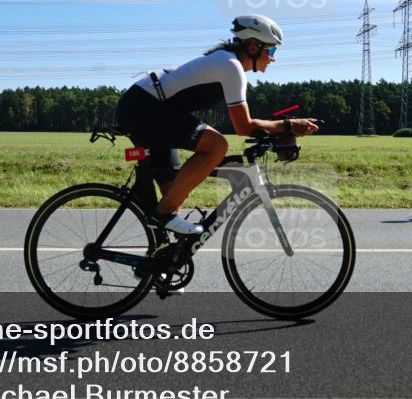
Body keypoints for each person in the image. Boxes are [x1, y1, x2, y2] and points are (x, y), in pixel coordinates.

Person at [116, 14, 319, 236]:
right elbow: (243, 126)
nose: (273, 58)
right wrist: (289, 125)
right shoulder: (230, 66)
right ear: (253, 48)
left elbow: (245, 124)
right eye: (271, 51)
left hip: (150, 107)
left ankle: (157, 262)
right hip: (144, 108)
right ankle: (162, 215)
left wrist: (282, 128)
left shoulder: (226, 62)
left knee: (173, 195)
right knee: (216, 146)